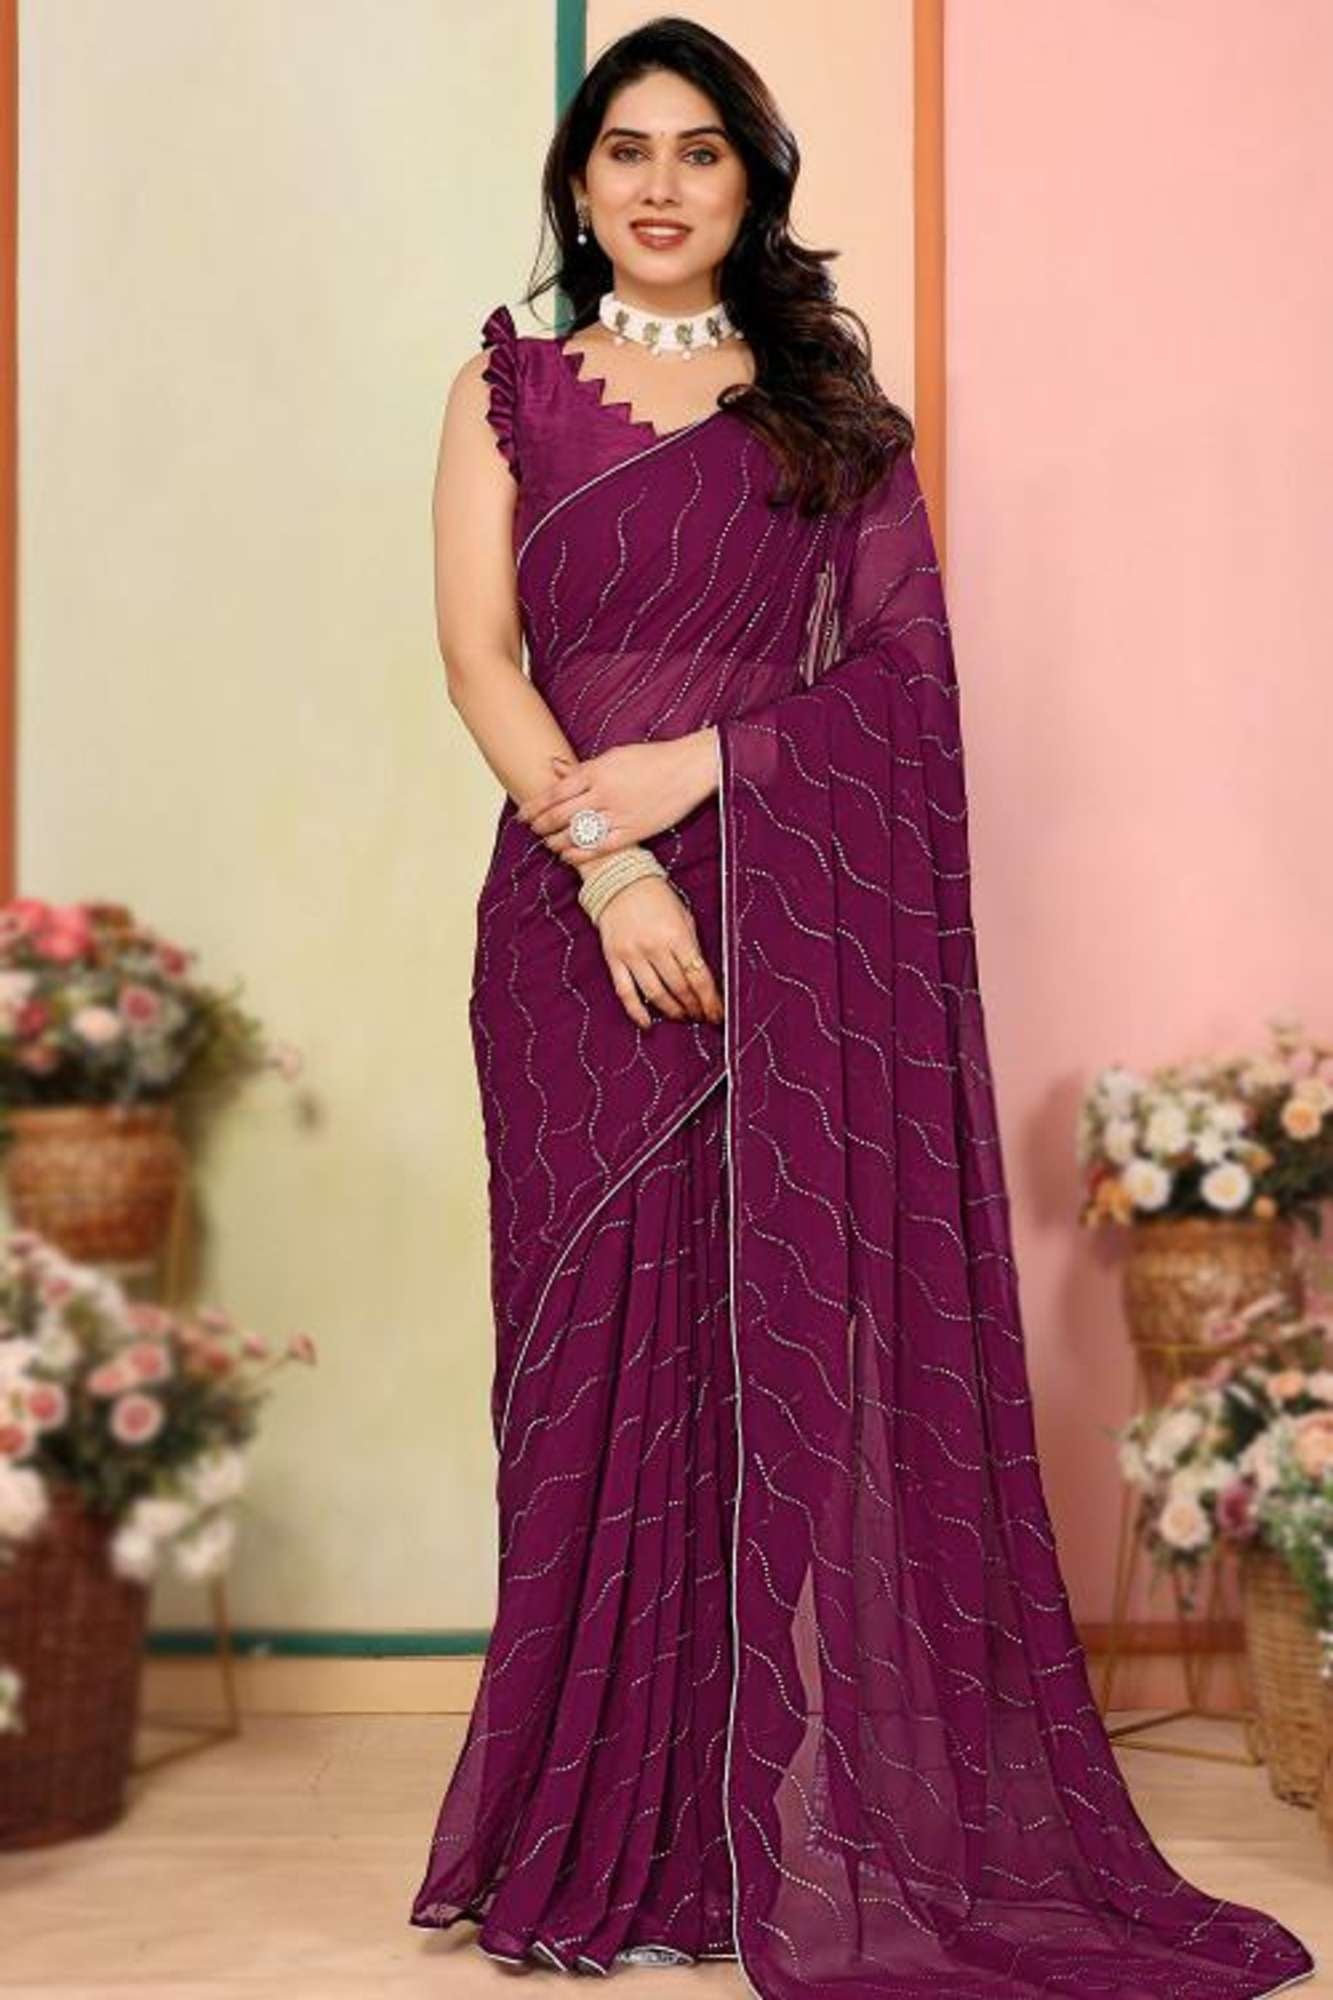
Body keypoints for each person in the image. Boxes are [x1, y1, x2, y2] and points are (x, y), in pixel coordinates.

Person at [408, 17, 1317, 1998]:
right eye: (625, 148)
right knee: (585, 1368)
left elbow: (908, 684)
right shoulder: (505, 390)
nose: (659, 183)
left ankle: (748, 1832)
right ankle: (594, 1840)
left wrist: (712, 766)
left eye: (699, 150)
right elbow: (479, 656)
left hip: (785, 929)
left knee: (767, 1366)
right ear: (578, 183)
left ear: (751, 183)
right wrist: (613, 860)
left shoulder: (828, 414)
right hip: (574, 930)